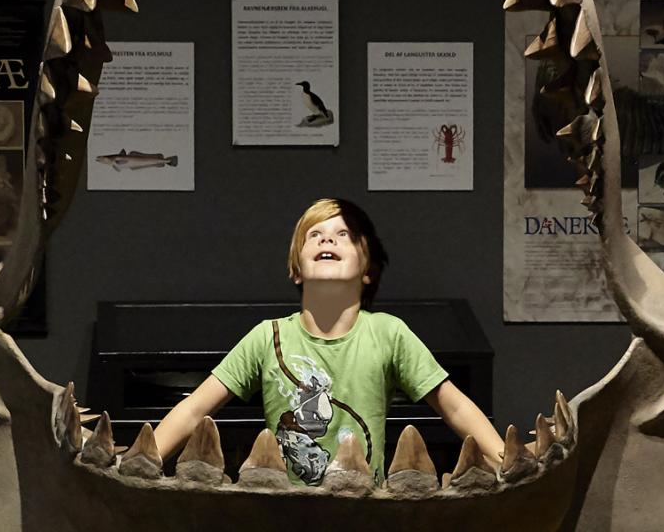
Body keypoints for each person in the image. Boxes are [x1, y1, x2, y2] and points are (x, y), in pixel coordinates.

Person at [153, 198, 504, 485]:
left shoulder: (388, 333)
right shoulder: (268, 336)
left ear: (368, 268)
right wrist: (140, 457)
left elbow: (454, 406)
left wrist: (507, 459)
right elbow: (195, 409)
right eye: (314, 234)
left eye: (345, 234)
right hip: (284, 512)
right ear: (296, 268)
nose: (327, 239)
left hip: (367, 511)